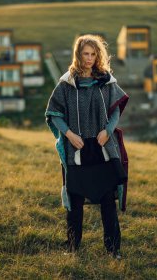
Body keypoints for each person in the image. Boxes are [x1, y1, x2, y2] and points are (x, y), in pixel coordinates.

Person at [45, 34, 129, 259]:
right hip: (78, 150)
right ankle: (72, 248)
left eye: (93, 54)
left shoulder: (105, 80)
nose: (90, 58)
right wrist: (70, 135)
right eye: (85, 53)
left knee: (107, 202)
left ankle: (113, 250)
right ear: (78, 54)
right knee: (75, 202)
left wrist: (107, 131)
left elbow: (116, 111)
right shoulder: (66, 84)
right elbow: (54, 114)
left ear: (98, 55)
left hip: (102, 147)